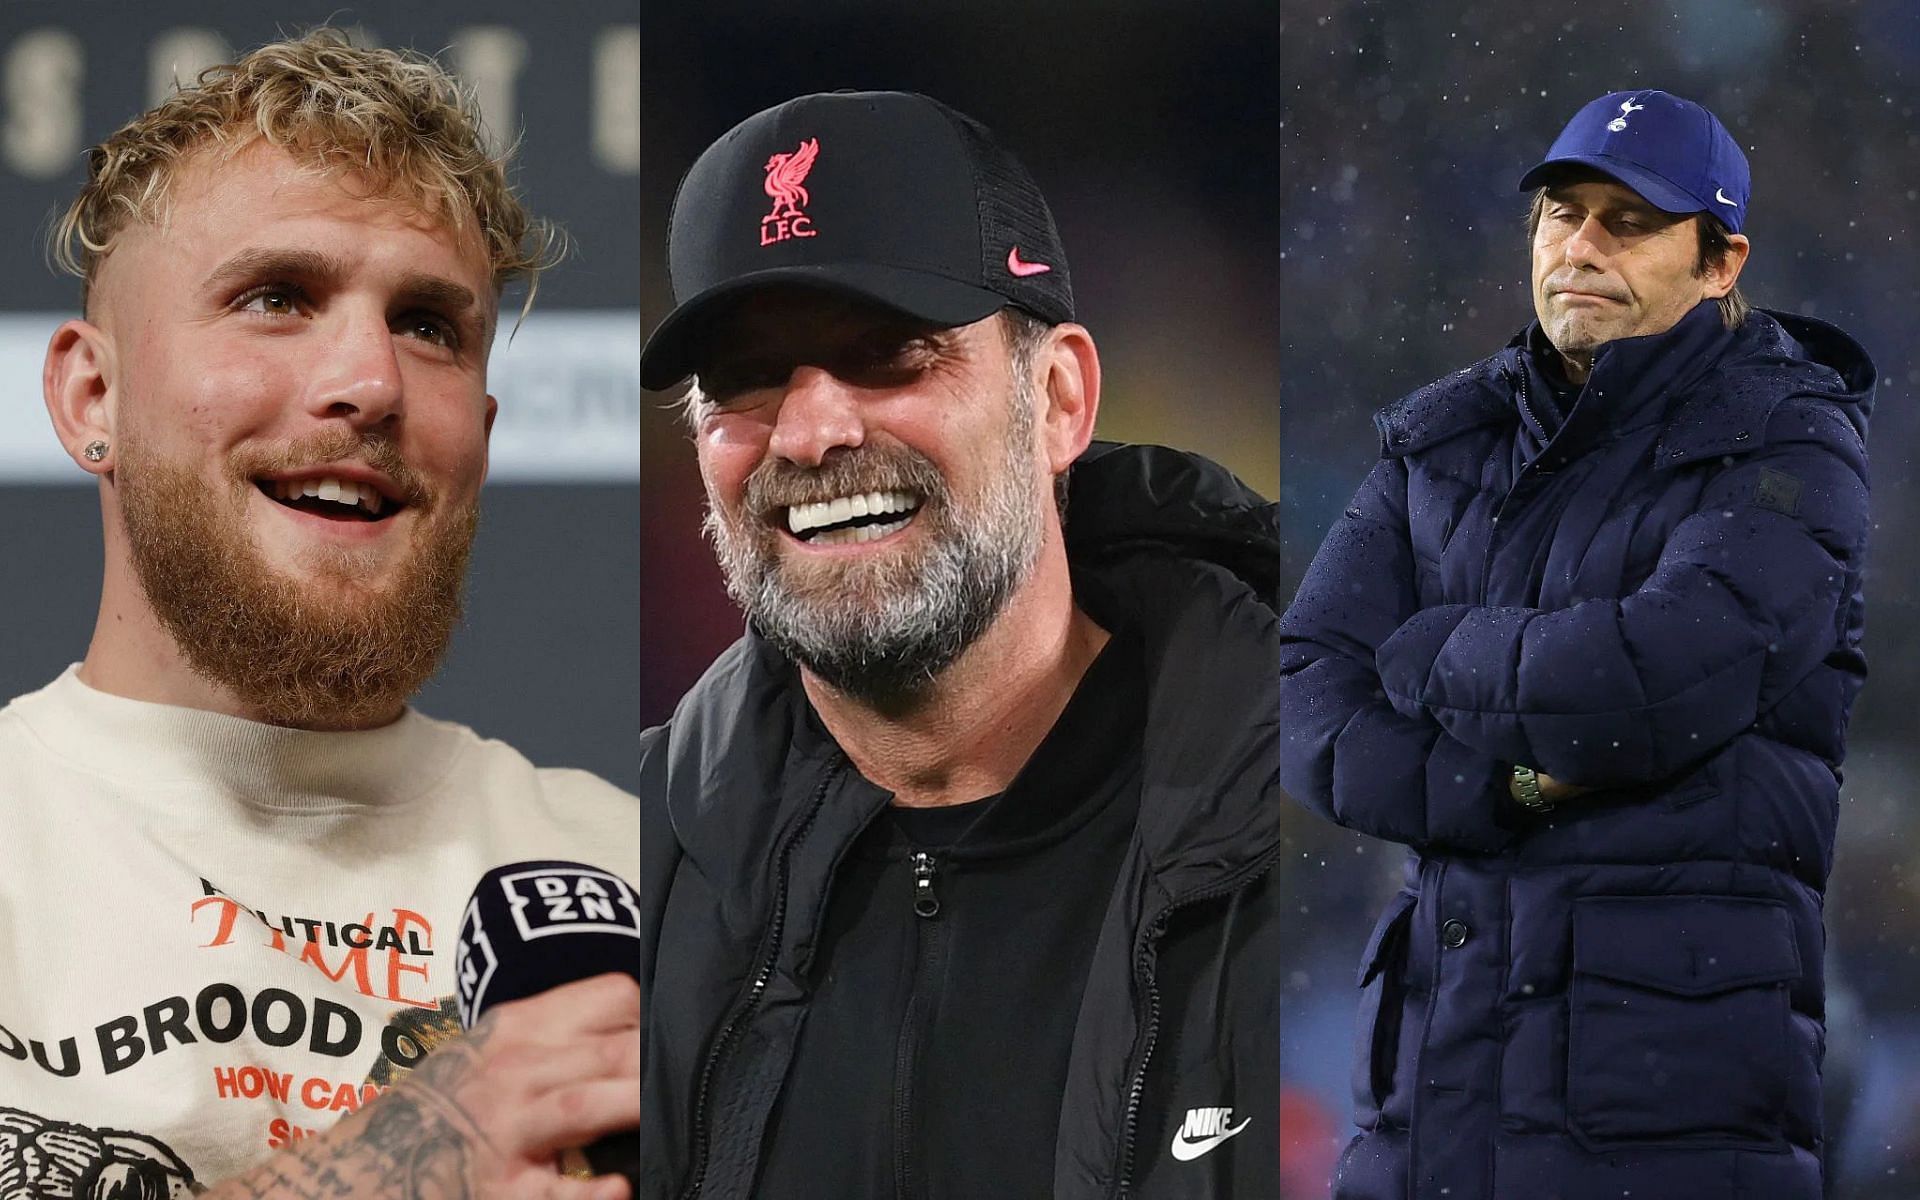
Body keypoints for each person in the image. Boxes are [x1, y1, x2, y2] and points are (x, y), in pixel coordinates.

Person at [0, 30, 640, 1198]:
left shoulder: (643, 876)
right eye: (277, 298)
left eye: (428, 325)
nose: (373, 383)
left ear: (484, 441)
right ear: (94, 394)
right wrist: (407, 1161)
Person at [635, 91, 1281, 1199]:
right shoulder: (618, 875)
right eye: (743, 381)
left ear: (1060, 401)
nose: (811, 430)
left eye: (890, 352)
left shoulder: (1321, 823)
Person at [1280, 89, 1872, 1198]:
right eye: (1562, 213)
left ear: (1721, 262)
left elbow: (1647, 684)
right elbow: (1305, 695)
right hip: (1430, 1110)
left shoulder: (1791, 437)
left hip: (1670, 1122)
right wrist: (1502, 789)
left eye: (1631, 221)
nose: (1582, 245)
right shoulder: (1443, 436)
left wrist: (1432, 646)